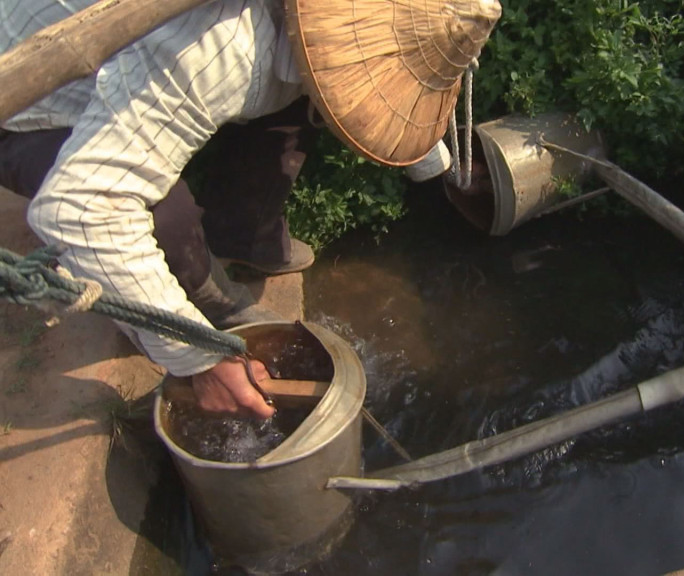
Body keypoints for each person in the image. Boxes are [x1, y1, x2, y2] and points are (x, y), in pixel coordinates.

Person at [0, 0, 500, 418]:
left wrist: (444, 173)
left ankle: (246, 236)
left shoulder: (335, 19)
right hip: (26, 102)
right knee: (162, 218)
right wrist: (196, 359)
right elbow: (82, 209)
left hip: (153, 66)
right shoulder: (218, 46)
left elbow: (397, 78)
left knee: (304, 100)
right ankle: (207, 296)